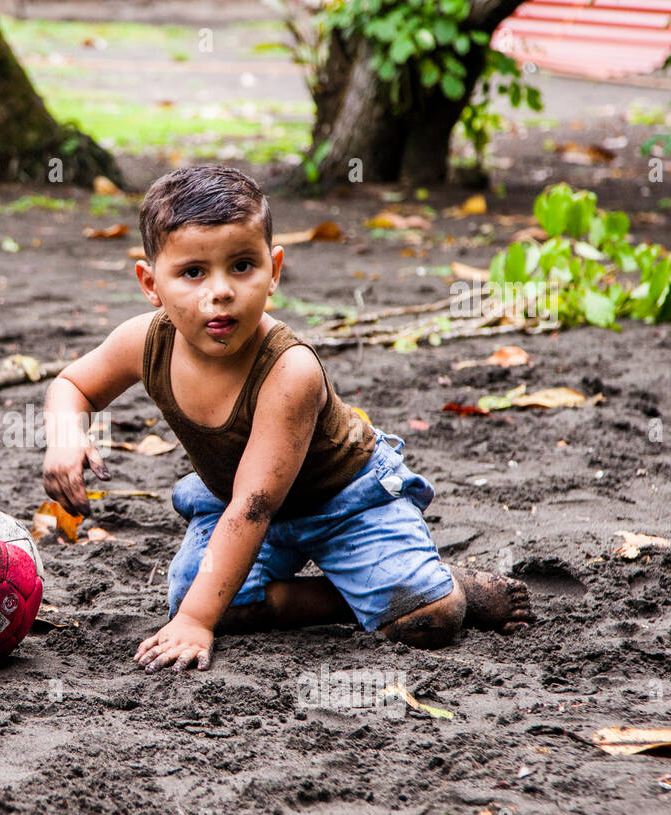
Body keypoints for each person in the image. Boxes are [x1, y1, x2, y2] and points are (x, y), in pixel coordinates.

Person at [42, 165, 533, 673]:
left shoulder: (288, 370)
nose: (221, 291)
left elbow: (255, 508)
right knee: (200, 596)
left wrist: (195, 622)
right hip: (232, 499)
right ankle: (354, 595)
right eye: (193, 272)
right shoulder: (145, 341)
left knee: (428, 618)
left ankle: (442, 584)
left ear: (273, 270)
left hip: (343, 499)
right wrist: (63, 438)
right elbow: (72, 385)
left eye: (241, 266)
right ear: (151, 283)